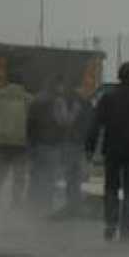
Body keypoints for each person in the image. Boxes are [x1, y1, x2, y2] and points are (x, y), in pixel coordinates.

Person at [85, 62, 129, 241]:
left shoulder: (108, 97)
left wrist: (90, 147)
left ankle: (110, 225)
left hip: (112, 150)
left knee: (111, 188)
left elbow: (95, 124)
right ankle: (126, 228)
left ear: (119, 75)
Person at [0, 72, 33, 207]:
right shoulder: (28, 99)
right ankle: (16, 202)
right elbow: (34, 122)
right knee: (19, 175)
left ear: (8, 82)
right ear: (22, 83)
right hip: (21, 143)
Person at [27, 76, 65, 210]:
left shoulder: (36, 100)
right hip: (52, 144)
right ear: (56, 86)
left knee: (35, 175)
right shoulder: (58, 101)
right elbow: (62, 122)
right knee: (49, 176)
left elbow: (30, 123)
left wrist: (30, 143)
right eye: (60, 85)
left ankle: (32, 204)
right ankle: (46, 204)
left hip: (37, 144)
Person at [56, 87, 92, 215]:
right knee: (75, 175)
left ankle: (72, 204)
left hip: (72, 143)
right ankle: (74, 204)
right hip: (78, 143)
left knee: (72, 175)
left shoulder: (73, 105)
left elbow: (65, 123)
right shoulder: (86, 104)